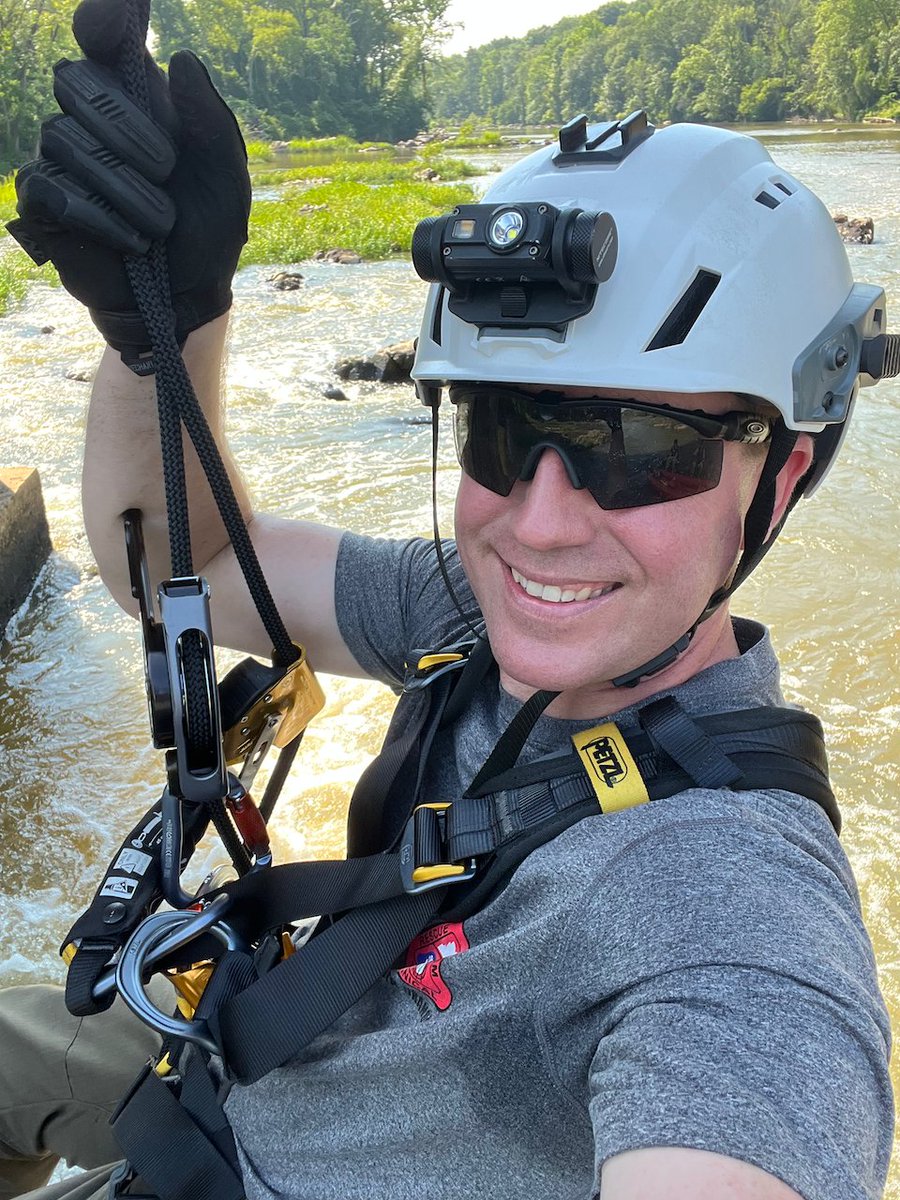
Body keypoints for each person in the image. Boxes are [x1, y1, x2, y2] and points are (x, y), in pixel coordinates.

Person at [0, 1, 895, 1197]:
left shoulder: (732, 911)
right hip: (235, 1070)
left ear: (779, 477)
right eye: (503, 426)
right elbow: (183, 568)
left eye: (637, 447)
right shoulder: (469, 610)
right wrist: (164, 323)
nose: (540, 518)